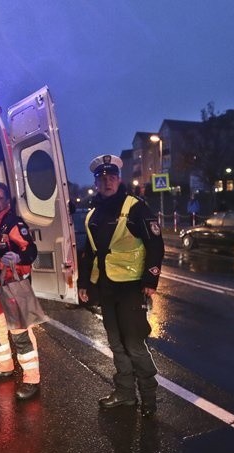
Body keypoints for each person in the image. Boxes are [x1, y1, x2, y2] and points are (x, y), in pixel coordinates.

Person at [77, 154, 165, 418]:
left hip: (132, 288)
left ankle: (149, 397)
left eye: (111, 177)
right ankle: (126, 394)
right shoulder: (92, 215)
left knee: (134, 344)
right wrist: (84, 284)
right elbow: (90, 254)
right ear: (96, 182)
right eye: (102, 178)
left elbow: (155, 245)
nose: (107, 182)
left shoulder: (135, 207)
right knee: (116, 344)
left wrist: (150, 280)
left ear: (119, 180)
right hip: (106, 288)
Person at [0, 182, 41, 400]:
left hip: (12, 287)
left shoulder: (13, 223)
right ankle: (4, 367)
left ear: (6, 201)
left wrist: (18, 257)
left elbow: (31, 251)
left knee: (21, 335)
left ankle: (31, 379)